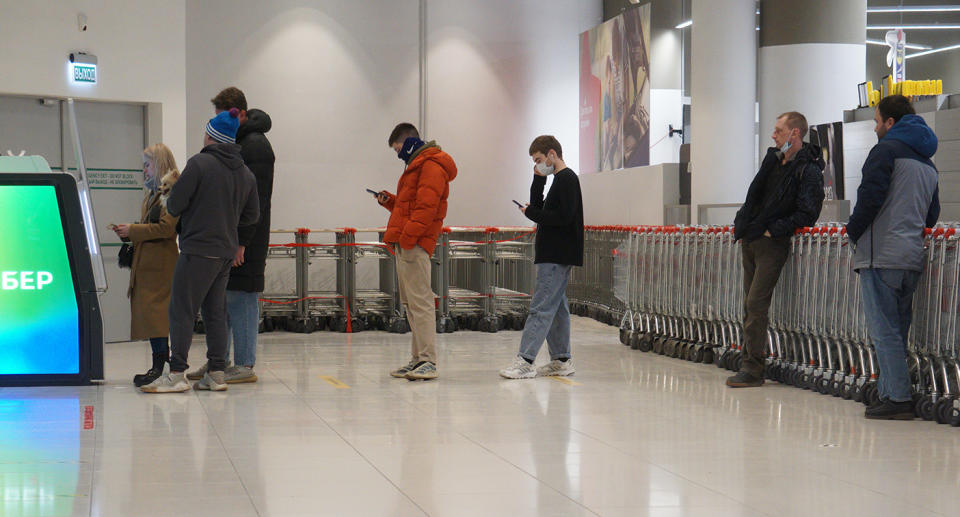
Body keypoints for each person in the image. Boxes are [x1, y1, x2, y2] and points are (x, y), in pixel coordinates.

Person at [141, 109, 259, 393]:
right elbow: (252, 215)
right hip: (225, 253)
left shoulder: (199, 164)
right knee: (216, 311)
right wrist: (226, 222)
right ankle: (217, 372)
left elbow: (175, 205)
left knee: (181, 309)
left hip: (197, 249)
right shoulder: (245, 172)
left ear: (210, 136)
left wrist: (174, 193)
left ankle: (177, 374)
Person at [846, 95, 940, 420]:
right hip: (910, 257)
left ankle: (898, 398)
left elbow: (869, 199)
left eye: (876, 121)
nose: (874, 127)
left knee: (883, 329)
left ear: (890, 123)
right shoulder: (928, 164)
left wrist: (853, 231)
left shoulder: (884, 152)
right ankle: (888, 391)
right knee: (898, 330)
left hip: (880, 254)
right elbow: (932, 216)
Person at [728, 112, 825, 388]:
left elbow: (809, 212)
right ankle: (747, 359)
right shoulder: (772, 162)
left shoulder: (809, 170)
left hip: (772, 242)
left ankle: (753, 368)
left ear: (795, 134)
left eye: (779, 130)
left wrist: (776, 229)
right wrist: (743, 223)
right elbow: (756, 196)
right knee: (748, 303)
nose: (774, 135)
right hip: (752, 237)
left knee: (756, 303)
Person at [187, 87, 275, 384]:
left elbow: (255, 202)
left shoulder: (256, 146)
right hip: (229, 236)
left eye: (222, 117)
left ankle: (245, 364)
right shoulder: (240, 142)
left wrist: (242, 242)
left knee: (242, 298)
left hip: (245, 239)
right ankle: (220, 361)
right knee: (221, 299)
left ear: (237, 113)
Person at [376, 123, 457, 381]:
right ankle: (417, 359)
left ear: (409, 141)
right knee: (411, 304)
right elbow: (410, 207)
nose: (398, 153)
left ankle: (428, 361)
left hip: (415, 244)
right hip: (407, 242)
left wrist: (408, 238)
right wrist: (390, 201)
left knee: (420, 302)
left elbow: (426, 208)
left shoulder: (431, 165)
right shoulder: (417, 166)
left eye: (398, 147)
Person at [500, 135, 584, 379]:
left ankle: (525, 360)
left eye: (539, 160)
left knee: (541, 306)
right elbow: (541, 208)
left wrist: (533, 213)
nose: (537, 165)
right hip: (552, 252)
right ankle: (561, 359)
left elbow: (563, 217)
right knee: (556, 307)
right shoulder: (556, 180)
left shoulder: (567, 179)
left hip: (557, 254)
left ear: (551, 154)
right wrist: (537, 180)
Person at [114, 144, 179, 387]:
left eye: (147, 165)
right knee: (153, 317)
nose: (144, 170)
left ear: (159, 164)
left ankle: (160, 367)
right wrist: (130, 232)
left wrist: (134, 230)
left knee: (157, 317)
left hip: (160, 265)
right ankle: (159, 364)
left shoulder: (170, 192)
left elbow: (166, 228)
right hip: (149, 263)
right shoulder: (153, 193)